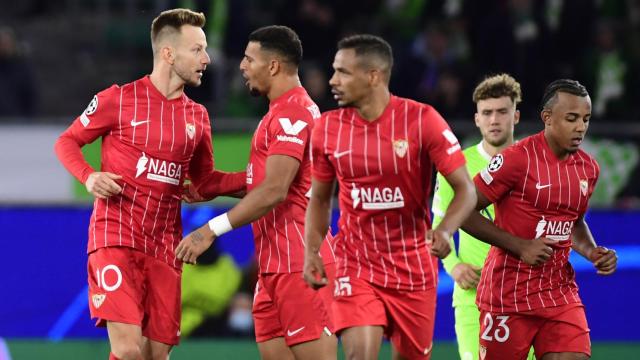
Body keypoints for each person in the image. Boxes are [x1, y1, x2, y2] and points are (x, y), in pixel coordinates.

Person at [53, 9, 245, 360]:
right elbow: (66, 142)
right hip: (115, 239)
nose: (207, 58)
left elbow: (205, 181)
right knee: (127, 352)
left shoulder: (197, 117)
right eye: (197, 50)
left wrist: (258, 181)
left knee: (154, 355)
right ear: (169, 54)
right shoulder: (118, 99)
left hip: (165, 248)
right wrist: (90, 176)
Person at [303, 34, 476, 360]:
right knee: (361, 354)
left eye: (343, 72)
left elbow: (466, 190)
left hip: (413, 268)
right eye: (334, 71)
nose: (332, 81)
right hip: (356, 265)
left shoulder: (423, 120)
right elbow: (320, 200)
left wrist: (444, 231)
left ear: (373, 76)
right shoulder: (327, 128)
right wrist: (312, 250)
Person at [175, 25, 337, 360]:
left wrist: (210, 230)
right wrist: (208, 187)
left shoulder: (293, 113)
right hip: (272, 269)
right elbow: (261, 181)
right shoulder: (278, 113)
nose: (242, 66)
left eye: (250, 59)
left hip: (300, 265)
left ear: (273, 66)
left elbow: (275, 190)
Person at [461, 79, 618, 360]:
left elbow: (574, 221)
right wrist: (520, 246)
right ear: (547, 118)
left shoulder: (588, 168)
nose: (581, 127)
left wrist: (592, 251)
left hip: (559, 292)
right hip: (508, 294)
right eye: (571, 118)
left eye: (586, 119)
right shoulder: (516, 159)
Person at [432, 74, 536, 360]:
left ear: (515, 116)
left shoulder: (536, 166)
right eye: (487, 113)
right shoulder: (456, 167)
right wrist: (453, 266)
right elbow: (437, 226)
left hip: (525, 296)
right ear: (476, 119)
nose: (494, 120)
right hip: (473, 297)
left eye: (502, 112)